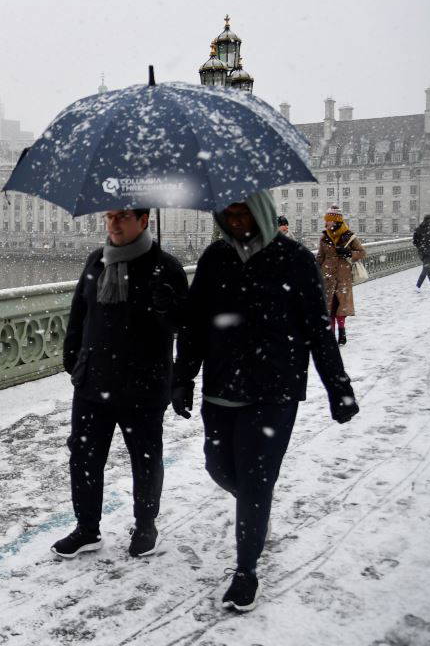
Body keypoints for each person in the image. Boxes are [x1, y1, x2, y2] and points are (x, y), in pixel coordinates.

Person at [174, 192, 359, 613]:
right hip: (221, 386)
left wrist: (339, 387)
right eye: (229, 213)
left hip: (274, 389)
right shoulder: (214, 259)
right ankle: (255, 509)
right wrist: (181, 377)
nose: (237, 221)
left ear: (260, 211)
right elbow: (194, 324)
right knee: (219, 468)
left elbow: (317, 329)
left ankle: (246, 569)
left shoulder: (294, 259)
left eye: (244, 212)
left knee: (256, 480)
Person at [53, 208, 189, 560]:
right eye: (110, 216)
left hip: (142, 385)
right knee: (83, 455)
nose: (113, 224)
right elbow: (79, 313)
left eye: (123, 217)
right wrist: (73, 358)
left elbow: (184, 325)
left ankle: (146, 524)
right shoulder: (97, 260)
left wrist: (166, 308)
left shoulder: (166, 268)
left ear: (144, 221)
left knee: (145, 458)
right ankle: (87, 528)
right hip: (93, 381)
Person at [316, 204, 365, 345]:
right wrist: (314, 271)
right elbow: (320, 257)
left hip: (343, 277)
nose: (326, 223)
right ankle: (331, 336)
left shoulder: (349, 236)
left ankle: (342, 332)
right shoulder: (324, 237)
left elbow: (362, 252)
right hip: (327, 277)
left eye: (328, 220)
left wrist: (349, 253)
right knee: (329, 308)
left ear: (336, 220)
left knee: (341, 307)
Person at [411, 214, 430, 291]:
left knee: (428, 268)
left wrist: (420, 247)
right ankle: (418, 286)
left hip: (422, 252)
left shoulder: (418, 229)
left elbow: (415, 241)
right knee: (426, 269)